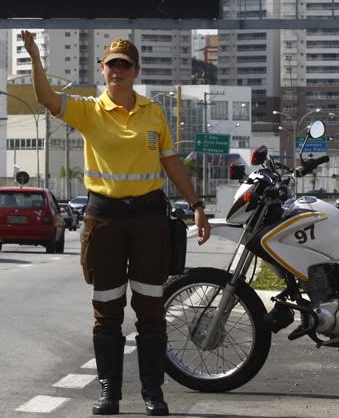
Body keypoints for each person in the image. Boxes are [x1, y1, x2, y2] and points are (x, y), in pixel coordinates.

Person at [22, 30, 211, 416]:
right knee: (107, 307)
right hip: (104, 218)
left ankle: (153, 394)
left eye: (125, 65)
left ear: (136, 71)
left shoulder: (153, 112)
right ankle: (109, 392)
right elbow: (46, 98)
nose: (118, 71)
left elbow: (171, 161)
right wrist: (35, 58)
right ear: (102, 69)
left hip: (148, 220)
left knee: (150, 308)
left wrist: (196, 204)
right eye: (112, 65)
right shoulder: (88, 110)